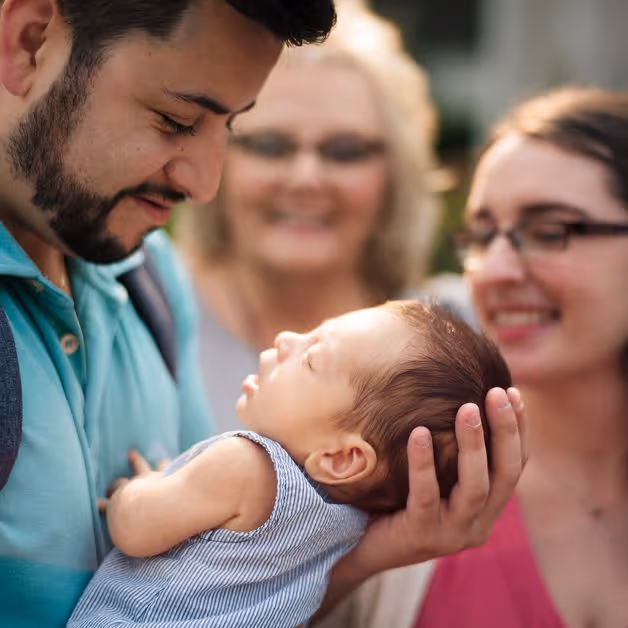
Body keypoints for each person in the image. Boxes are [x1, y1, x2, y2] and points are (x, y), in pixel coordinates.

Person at [0, 1, 526, 627]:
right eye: (176, 120)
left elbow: (219, 596)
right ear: (28, 39)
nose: (206, 183)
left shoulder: (150, 282)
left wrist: (365, 553)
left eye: (230, 127)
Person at [322, 87, 628, 627]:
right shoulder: (396, 472)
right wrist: (361, 566)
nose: (495, 271)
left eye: (549, 231)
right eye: (483, 236)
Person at [68, 300, 512, 628]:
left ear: (341, 458)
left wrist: (141, 487)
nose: (287, 339)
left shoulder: (245, 466)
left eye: (313, 357)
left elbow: (134, 529)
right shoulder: (346, 527)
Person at [174, 0, 468, 430]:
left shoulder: (460, 331)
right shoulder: (143, 308)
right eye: (271, 145)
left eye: (344, 151)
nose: (306, 178)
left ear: (397, 176)